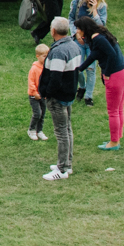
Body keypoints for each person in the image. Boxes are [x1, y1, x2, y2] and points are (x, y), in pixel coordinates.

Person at [35, 18, 82, 181]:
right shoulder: (74, 46)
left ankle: (62, 169)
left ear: (53, 31)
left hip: (58, 97)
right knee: (67, 129)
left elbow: (55, 78)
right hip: (68, 94)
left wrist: (47, 93)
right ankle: (66, 164)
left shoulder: (58, 52)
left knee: (61, 132)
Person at [77, 16, 124, 152]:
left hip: (115, 75)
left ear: (84, 29)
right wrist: (79, 69)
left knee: (113, 111)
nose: (77, 31)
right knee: (119, 109)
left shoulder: (98, 39)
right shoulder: (99, 36)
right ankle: (117, 137)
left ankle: (114, 142)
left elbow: (112, 54)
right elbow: (94, 55)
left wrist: (106, 72)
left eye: (78, 29)